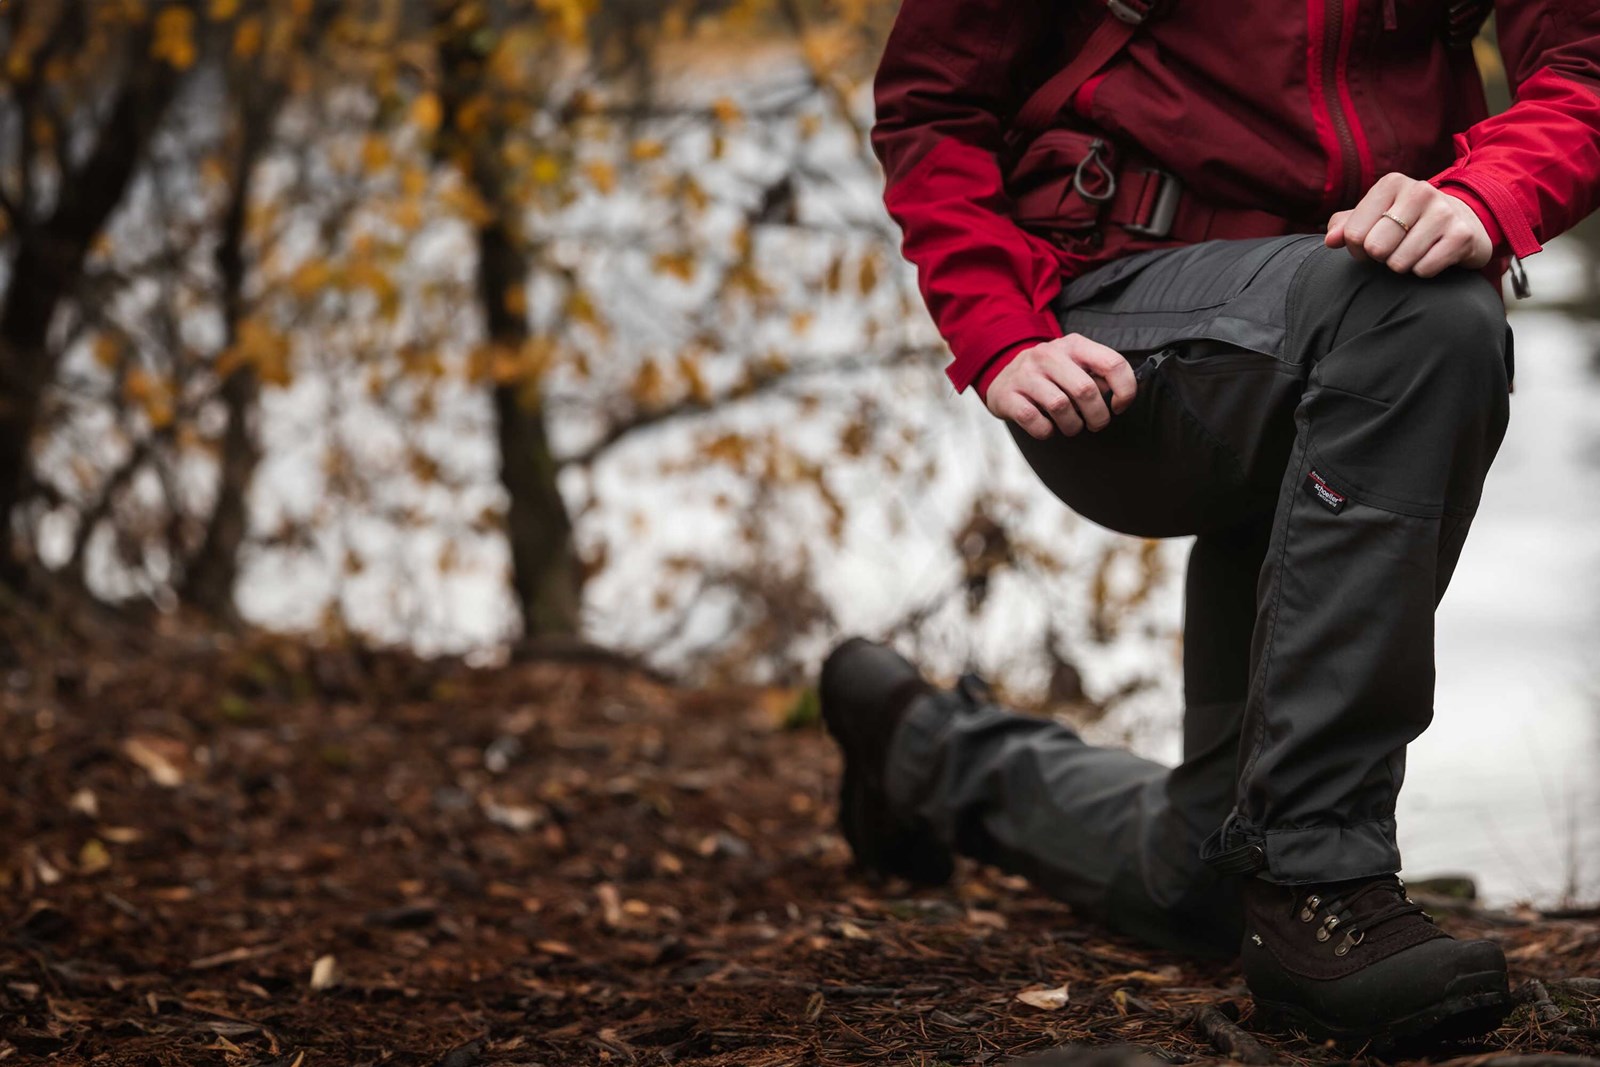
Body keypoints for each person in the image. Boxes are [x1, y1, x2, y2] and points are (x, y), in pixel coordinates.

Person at [819, 0, 1600, 1048]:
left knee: (1200, 881)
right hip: (1114, 323)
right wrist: (998, 328)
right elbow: (934, 103)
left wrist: (1489, 188)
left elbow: (1587, 64)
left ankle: (920, 749)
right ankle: (1315, 882)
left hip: (1342, 338)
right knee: (1426, 317)